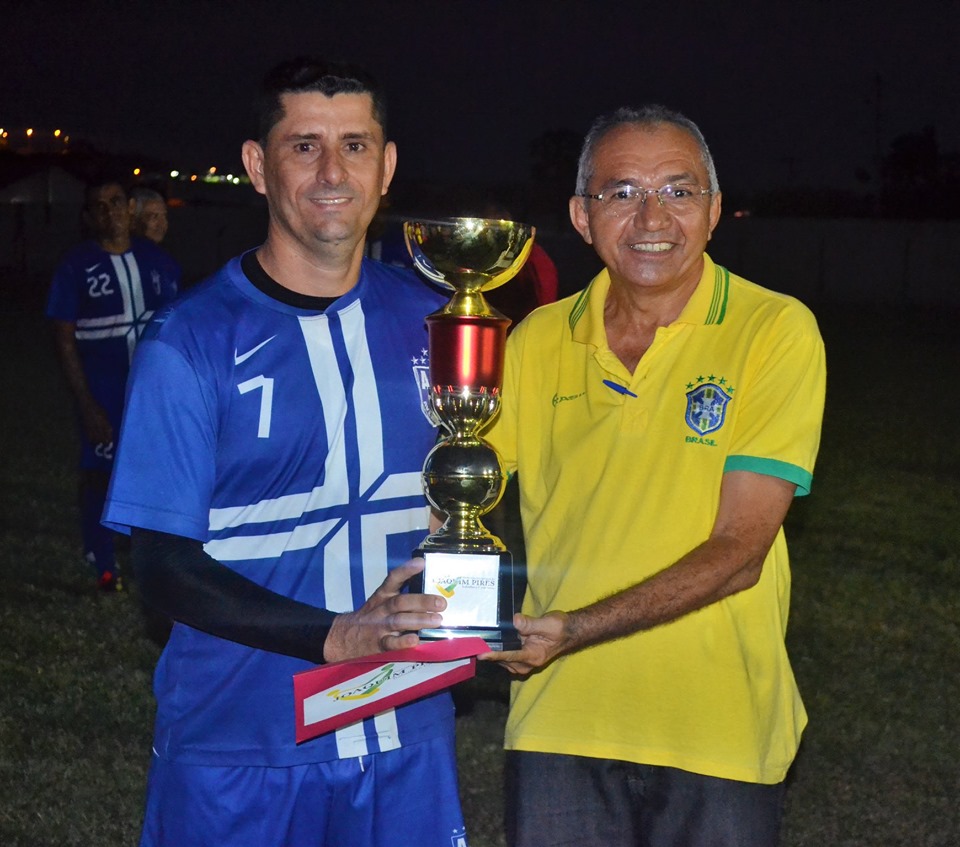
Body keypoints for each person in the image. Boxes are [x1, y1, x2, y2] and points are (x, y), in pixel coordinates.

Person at [102, 57, 468, 847]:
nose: (333, 172)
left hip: (405, 729)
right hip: (244, 745)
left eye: (355, 145)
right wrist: (334, 635)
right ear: (256, 166)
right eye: (304, 146)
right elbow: (160, 565)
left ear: (388, 164)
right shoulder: (190, 341)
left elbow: (478, 498)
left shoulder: (443, 323)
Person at [481, 105, 827, 847]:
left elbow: (740, 550)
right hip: (560, 717)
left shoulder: (774, 329)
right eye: (621, 191)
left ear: (714, 210)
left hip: (715, 723)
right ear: (581, 215)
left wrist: (575, 629)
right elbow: (466, 499)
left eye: (678, 190)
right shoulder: (539, 338)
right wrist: (421, 587)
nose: (651, 217)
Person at [46, 177, 181, 591]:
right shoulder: (75, 266)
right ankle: (102, 558)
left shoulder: (158, 263)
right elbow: (64, 337)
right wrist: (86, 401)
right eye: (100, 206)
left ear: (128, 209)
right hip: (104, 391)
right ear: (89, 217)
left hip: (152, 395)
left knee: (159, 472)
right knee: (101, 474)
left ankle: (149, 554)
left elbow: (177, 328)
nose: (111, 212)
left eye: (117, 202)